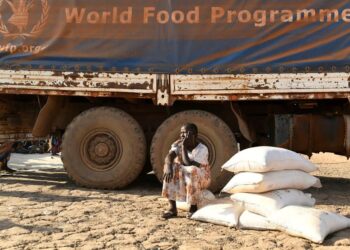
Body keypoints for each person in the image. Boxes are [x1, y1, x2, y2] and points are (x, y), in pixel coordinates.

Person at [162, 123, 211, 219]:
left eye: (186, 132)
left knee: (192, 170)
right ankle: (172, 208)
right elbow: (170, 156)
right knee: (170, 167)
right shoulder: (177, 144)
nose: (183, 135)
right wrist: (168, 166)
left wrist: (183, 146)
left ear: (195, 135)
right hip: (186, 174)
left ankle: (193, 208)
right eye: (181, 133)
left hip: (202, 177)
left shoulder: (202, 149)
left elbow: (188, 164)